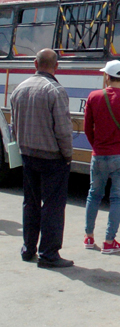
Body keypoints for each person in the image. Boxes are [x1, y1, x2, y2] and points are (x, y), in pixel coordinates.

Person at [11, 48, 74, 268]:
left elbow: (14, 127)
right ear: (56, 66)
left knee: (30, 203)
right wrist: (68, 155)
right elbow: (63, 131)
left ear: (35, 64)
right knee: (53, 206)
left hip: (27, 154)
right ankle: (48, 253)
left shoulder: (19, 88)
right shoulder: (55, 91)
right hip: (52, 158)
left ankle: (28, 249)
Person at [83, 60, 120, 254]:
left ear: (107, 76)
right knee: (117, 198)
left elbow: (87, 128)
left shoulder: (94, 96)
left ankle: (89, 237)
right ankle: (109, 241)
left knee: (94, 194)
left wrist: (96, 146)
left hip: (99, 155)